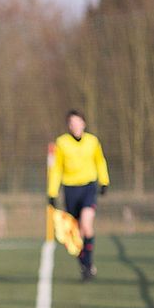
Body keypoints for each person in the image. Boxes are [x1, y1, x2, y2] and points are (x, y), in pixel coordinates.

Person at [47, 110, 110, 280]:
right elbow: (57, 168)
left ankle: (88, 264)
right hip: (70, 189)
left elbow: (100, 161)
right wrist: (52, 192)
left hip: (88, 187)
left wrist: (104, 181)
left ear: (84, 123)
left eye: (77, 122)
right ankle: (85, 265)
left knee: (86, 224)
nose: (75, 126)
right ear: (68, 126)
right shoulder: (62, 143)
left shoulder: (92, 142)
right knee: (76, 232)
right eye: (71, 123)